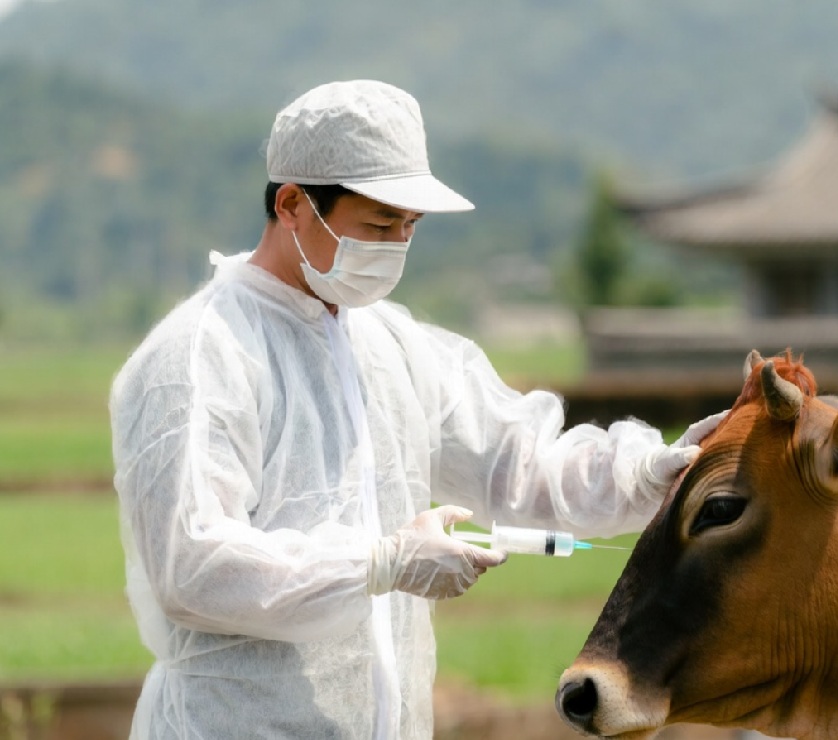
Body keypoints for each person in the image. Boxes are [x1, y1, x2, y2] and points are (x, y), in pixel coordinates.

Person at [109, 79, 724, 740]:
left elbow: (518, 467)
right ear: (292, 204)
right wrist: (380, 564)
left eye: (409, 227)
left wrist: (648, 474)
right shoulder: (201, 355)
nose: (396, 244)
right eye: (379, 225)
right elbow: (193, 566)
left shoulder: (390, 345)